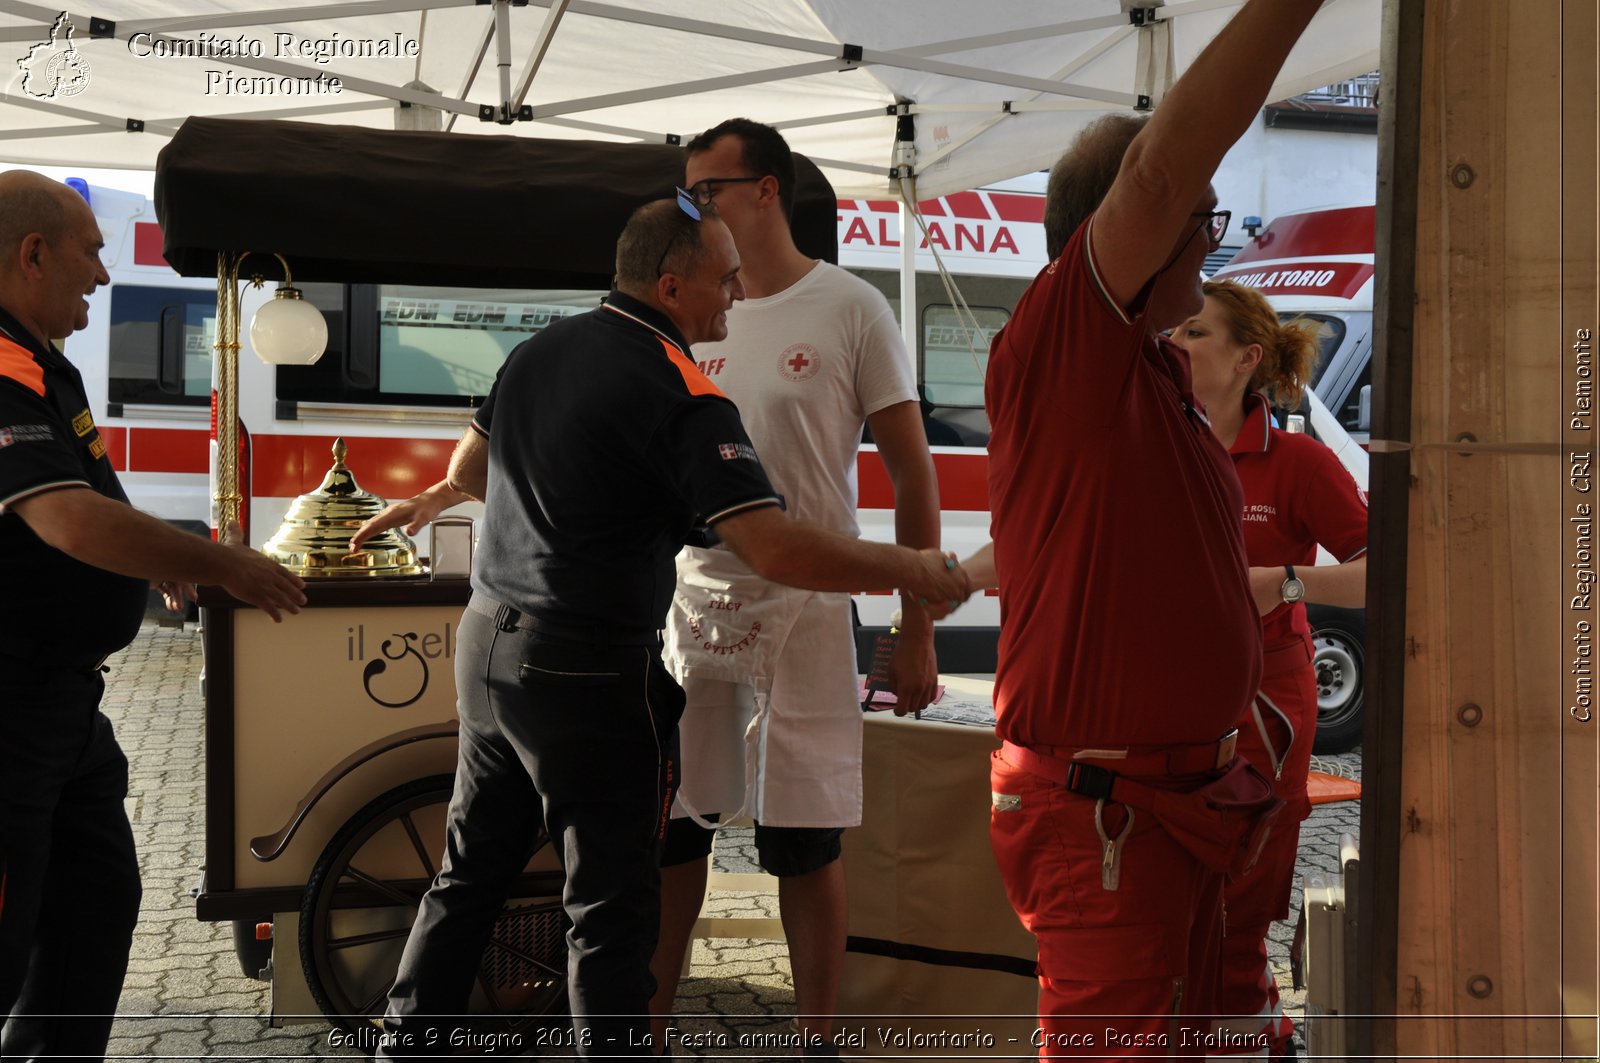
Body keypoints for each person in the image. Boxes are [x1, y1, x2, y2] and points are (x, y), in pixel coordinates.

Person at [358, 197, 969, 1058]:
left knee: (469, 875)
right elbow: (773, 545)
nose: (734, 297)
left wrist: (484, 500)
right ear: (671, 284)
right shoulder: (685, 389)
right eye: (722, 282)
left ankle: (403, 1046)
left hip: (489, 643)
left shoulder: (540, 348)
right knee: (608, 909)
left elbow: (468, 465)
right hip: (585, 670)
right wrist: (913, 569)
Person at [981, 1, 1326, 1055]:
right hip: (1106, 817)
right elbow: (1160, 172)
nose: (1211, 241)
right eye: (1204, 219)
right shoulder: (1063, 337)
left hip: (1184, 804)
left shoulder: (1157, 373)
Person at [645, 117, 942, 1054]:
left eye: (710, 190)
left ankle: (818, 1037)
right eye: (688, 193)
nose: (696, 207)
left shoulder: (850, 306)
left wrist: (917, 628)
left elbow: (912, 473)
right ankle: (647, 1030)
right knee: (673, 834)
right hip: (694, 599)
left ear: (767, 189)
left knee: (804, 841)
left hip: (811, 608)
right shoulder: (689, 308)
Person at [0, 170, 306, 1061]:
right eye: (90, 252)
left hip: (61, 705)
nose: (101, 274)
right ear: (33, 253)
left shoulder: (41, 360)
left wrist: (157, 567)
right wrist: (222, 562)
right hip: (11, 707)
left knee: (95, 899)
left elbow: (89, 495)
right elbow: (63, 515)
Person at [1171, 279, 1367, 1057]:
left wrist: (1285, 581)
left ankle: (1251, 1038)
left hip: (1265, 708)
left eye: (1194, 334)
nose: (1173, 345)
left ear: (1248, 358)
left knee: (1241, 900)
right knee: (1172, 897)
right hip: (1165, 700)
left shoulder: (1299, 463)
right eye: (1174, 332)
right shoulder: (1158, 448)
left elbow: (1383, 568)